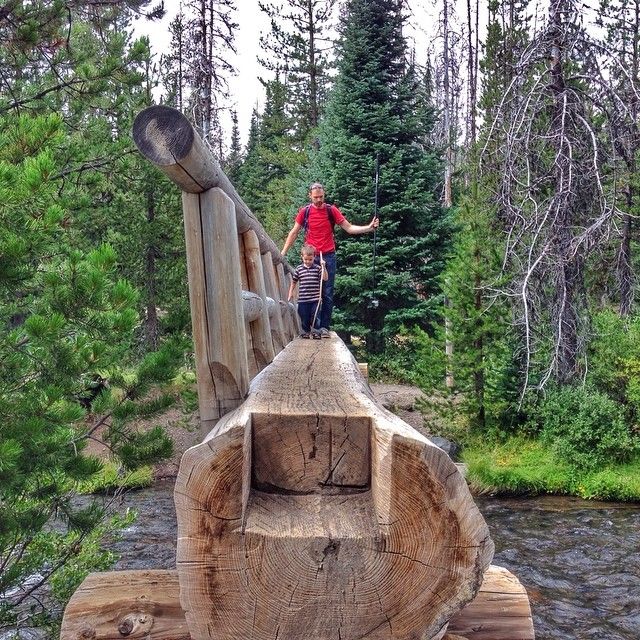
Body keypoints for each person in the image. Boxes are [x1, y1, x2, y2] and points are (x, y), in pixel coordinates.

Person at [281, 182, 379, 337]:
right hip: (311, 257)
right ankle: (311, 327)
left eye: (321, 196)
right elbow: (294, 232)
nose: (319, 200)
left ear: (324, 194)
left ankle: (324, 328)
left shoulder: (331, 210)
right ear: (310, 196)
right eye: (316, 197)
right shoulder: (305, 212)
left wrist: (369, 227)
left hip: (328, 255)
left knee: (326, 292)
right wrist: (283, 252)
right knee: (311, 292)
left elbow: (349, 227)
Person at [288, 243, 328, 339]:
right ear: (302, 257)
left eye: (310, 259)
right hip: (303, 299)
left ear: (314, 257)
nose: (308, 261)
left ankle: (316, 332)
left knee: (316, 316)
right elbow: (294, 282)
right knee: (304, 316)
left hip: (315, 299)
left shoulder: (318, 268)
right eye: (305, 259)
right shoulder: (299, 269)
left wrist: (324, 267)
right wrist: (290, 293)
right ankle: (306, 331)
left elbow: (325, 278)